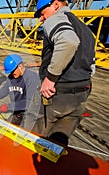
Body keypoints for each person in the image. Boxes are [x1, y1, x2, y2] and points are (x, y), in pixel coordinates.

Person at [29, 0, 95, 145]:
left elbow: (68, 41)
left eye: (42, 13)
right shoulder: (86, 30)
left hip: (56, 95)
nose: (41, 19)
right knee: (58, 143)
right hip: (81, 95)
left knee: (36, 140)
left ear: (56, 5)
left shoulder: (56, 19)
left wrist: (50, 78)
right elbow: (91, 66)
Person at [0, 54, 40, 125]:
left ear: (20, 66)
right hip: (17, 112)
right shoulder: (12, 77)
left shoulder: (32, 78)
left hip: (31, 114)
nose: (11, 74)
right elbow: (3, 91)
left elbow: (29, 102)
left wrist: (8, 107)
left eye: (12, 71)